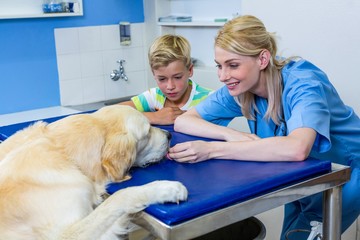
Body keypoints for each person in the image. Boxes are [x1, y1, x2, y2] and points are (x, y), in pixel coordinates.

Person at [168, 15, 360, 239]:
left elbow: (296, 149)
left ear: (262, 59)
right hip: (303, 174)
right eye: (219, 66)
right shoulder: (241, 89)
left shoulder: (304, 83)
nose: (222, 76)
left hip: (346, 173)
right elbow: (184, 120)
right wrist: (231, 135)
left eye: (232, 65)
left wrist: (211, 149)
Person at [119, 34, 213, 125]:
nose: (170, 86)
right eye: (162, 79)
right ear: (153, 74)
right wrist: (154, 117)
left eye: (177, 77)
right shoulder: (154, 96)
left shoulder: (210, 99)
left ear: (190, 70)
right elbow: (110, 113)